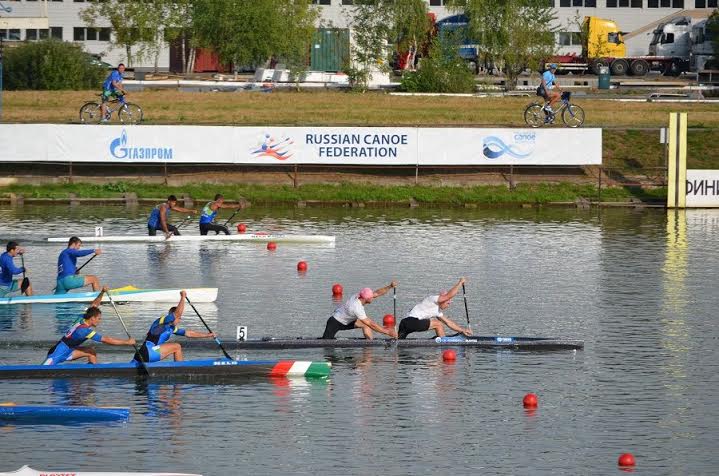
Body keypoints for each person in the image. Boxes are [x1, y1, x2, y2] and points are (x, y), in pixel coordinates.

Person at [43, 286, 136, 365]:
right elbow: (107, 340)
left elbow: (94, 305)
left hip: (69, 351)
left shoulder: (82, 318)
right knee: (42, 370)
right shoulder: (84, 331)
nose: (100, 321)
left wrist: (102, 292)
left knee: (91, 352)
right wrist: (127, 342)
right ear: (92, 318)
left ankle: (92, 375)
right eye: (98, 319)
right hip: (58, 352)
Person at [135, 290, 215, 362]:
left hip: (140, 354)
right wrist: (183, 297)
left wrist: (207, 335)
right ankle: (181, 369)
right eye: (179, 318)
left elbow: (189, 333)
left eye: (180, 318)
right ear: (171, 316)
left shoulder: (172, 328)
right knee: (177, 347)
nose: (179, 320)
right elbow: (177, 314)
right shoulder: (162, 321)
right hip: (148, 351)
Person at [398, 278, 472, 339]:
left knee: (399, 341)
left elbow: (448, 323)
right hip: (411, 321)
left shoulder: (437, 311)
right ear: (443, 300)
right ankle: (444, 342)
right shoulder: (433, 299)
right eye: (448, 303)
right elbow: (449, 295)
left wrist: (463, 330)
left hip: (404, 323)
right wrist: (460, 283)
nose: (448, 306)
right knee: (438, 324)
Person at [322, 281, 399, 340]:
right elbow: (371, 324)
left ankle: (369, 346)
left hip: (346, 320)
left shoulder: (360, 296)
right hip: (335, 322)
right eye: (371, 297)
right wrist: (387, 332)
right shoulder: (357, 307)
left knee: (365, 325)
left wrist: (390, 286)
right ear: (367, 299)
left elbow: (377, 293)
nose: (373, 297)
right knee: (325, 344)